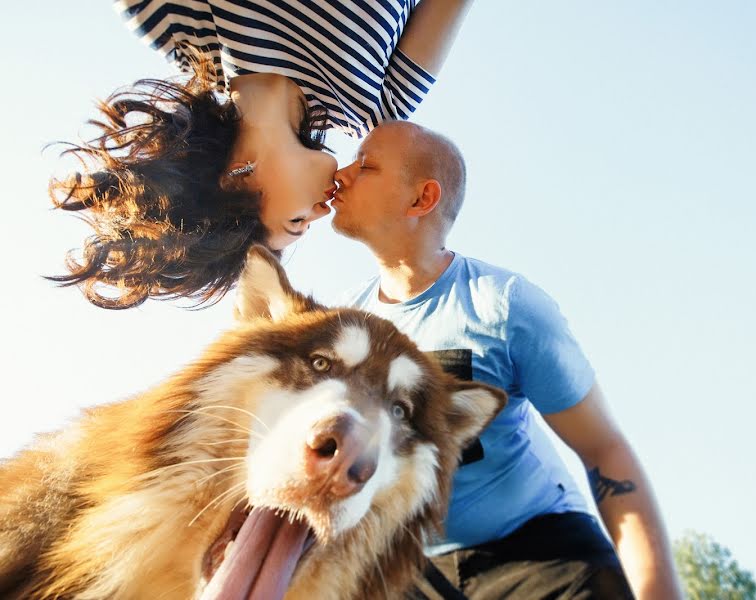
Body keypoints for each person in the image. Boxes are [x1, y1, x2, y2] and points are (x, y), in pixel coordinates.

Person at [330, 121, 683, 599]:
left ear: (422, 199)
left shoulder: (504, 306)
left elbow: (605, 450)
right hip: (408, 571)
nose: (341, 173)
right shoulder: (338, 330)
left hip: (541, 560)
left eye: (365, 165)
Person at [49, 0, 471, 309]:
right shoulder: (382, 108)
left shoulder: (174, 23)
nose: (322, 212)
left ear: (236, 178)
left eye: (296, 221)